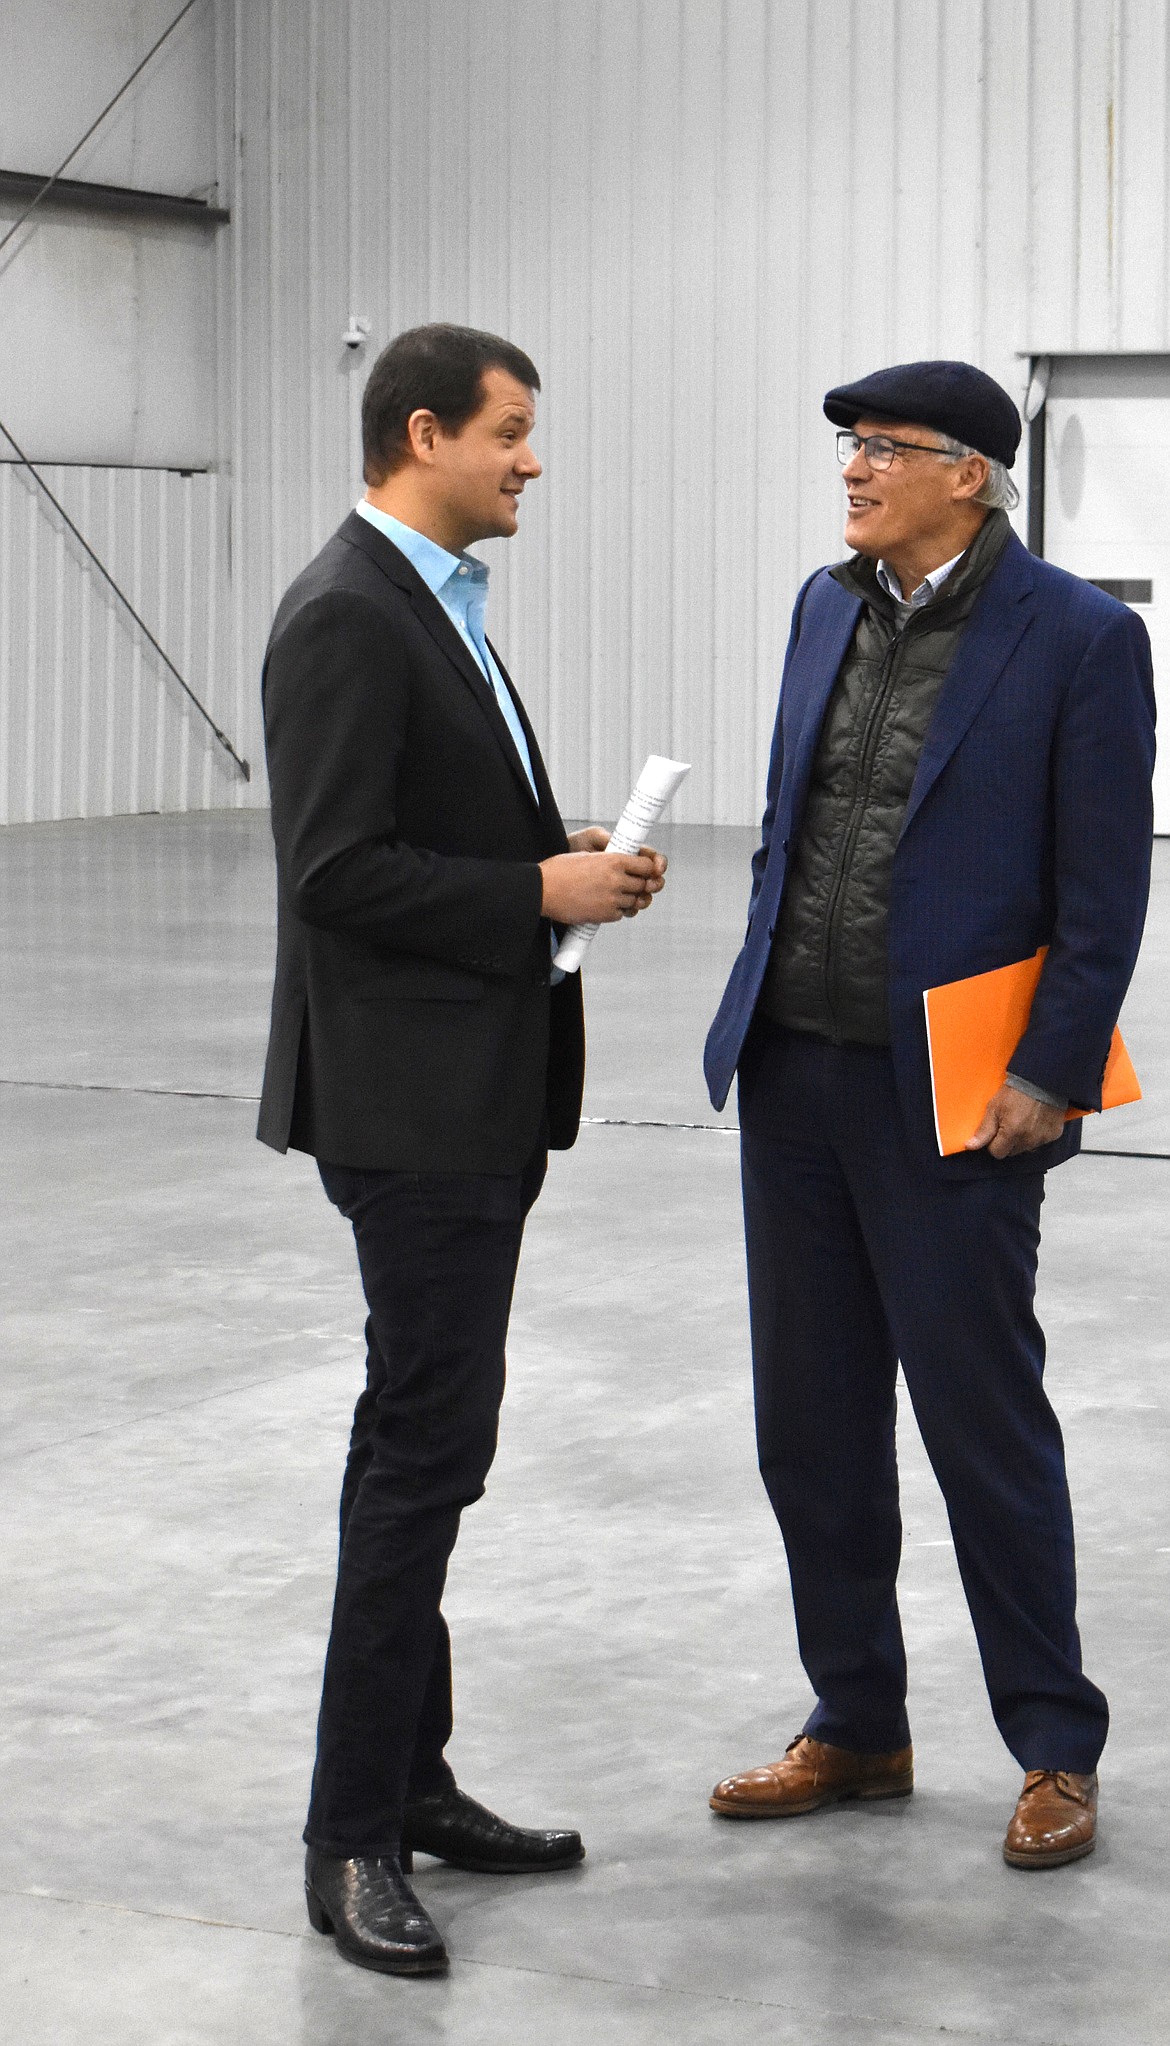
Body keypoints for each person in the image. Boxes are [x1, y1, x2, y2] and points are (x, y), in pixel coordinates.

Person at [703, 359, 1155, 1869]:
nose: (851, 469)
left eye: (880, 447)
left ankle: (1052, 1744)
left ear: (967, 472)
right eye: (846, 444)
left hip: (961, 1089)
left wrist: (1050, 1063)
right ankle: (856, 1721)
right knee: (809, 1423)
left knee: (981, 1423)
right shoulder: (823, 604)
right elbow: (796, 817)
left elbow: (1102, 889)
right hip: (798, 1071)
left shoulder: (1083, 639)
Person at [258, 322, 666, 1975]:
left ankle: (410, 1781)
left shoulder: (437, 604)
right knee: (420, 1454)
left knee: (433, 1445)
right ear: (420, 431)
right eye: (508, 433)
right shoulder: (351, 614)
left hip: (473, 1095)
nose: (531, 460)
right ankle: (348, 1832)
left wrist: (545, 848)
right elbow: (335, 870)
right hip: (412, 1110)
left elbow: (418, 825)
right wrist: (530, 899)